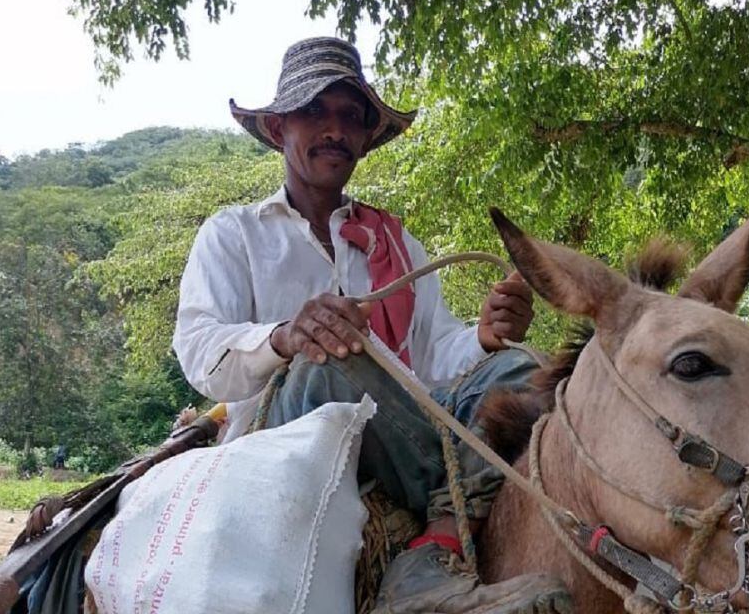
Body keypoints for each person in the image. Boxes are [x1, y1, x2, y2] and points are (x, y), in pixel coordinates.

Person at [173, 37, 569, 613]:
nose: (334, 128)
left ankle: (435, 544)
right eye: (314, 111)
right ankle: (462, 493)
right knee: (330, 361)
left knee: (521, 368)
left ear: (363, 137)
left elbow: (434, 357)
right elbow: (198, 348)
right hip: (280, 435)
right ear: (280, 127)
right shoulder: (234, 233)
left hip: (401, 425)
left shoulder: (396, 242)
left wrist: (485, 336)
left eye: (350, 116)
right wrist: (285, 337)